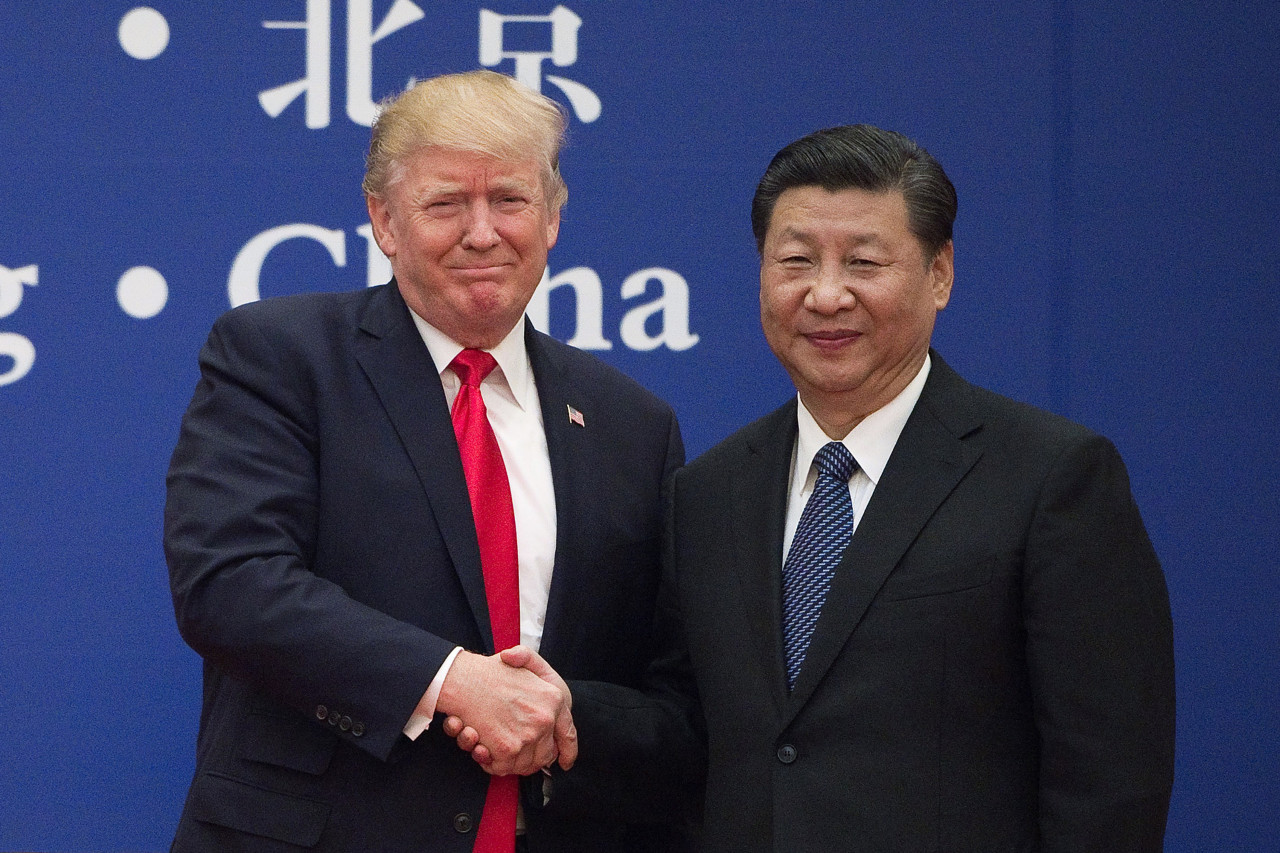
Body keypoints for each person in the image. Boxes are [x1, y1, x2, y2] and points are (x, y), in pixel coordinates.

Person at [502, 124, 1173, 851]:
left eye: (863, 262)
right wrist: (566, 712)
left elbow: (1109, 783)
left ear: (940, 273)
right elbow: (691, 729)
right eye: (795, 260)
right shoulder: (709, 492)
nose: (825, 295)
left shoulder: (1050, 477)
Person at [165, 70, 690, 852]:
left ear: (552, 217)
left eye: (509, 200)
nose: (482, 233)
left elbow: (672, 693)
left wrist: (567, 716)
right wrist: (452, 680)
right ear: (384, 219)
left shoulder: (631, 422)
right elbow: (229, 582)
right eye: (446, 203)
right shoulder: (281, 356)